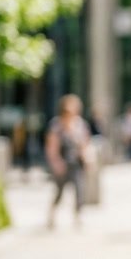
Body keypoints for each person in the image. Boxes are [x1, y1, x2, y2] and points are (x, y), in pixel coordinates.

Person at [44, 94, 92, 229]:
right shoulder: (56, 125)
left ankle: (78, 216)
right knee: (59, 191)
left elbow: (85, 143)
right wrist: (56, 163)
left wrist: (87, 159)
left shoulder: (79, 124)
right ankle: (52, 215)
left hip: (76, 162)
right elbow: (52, 146)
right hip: (62, 163)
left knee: (79, 190)